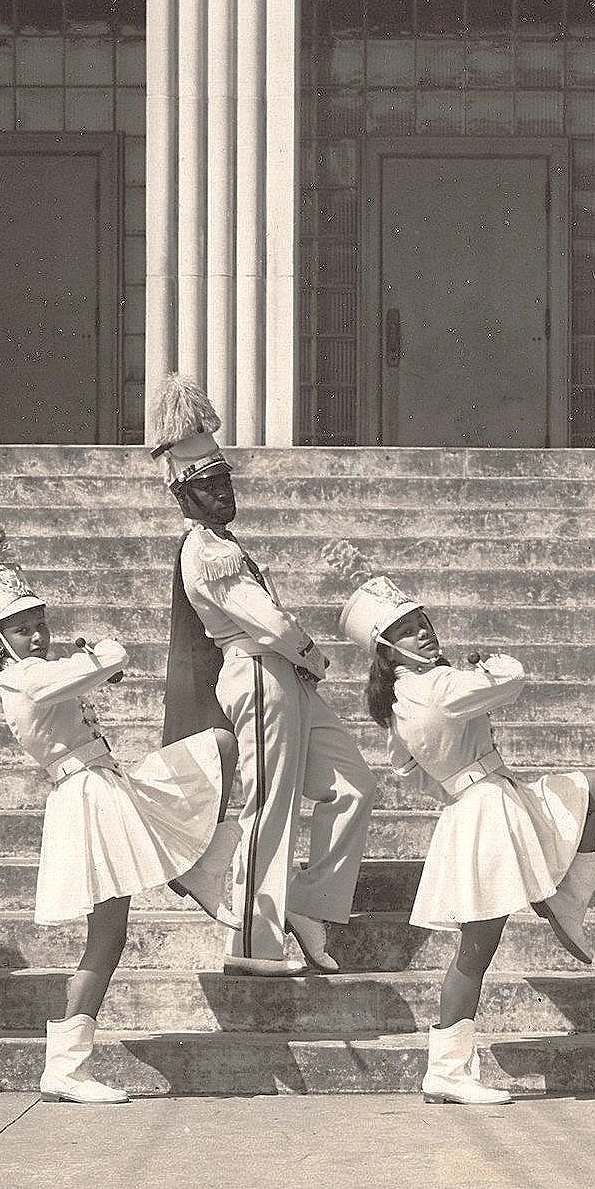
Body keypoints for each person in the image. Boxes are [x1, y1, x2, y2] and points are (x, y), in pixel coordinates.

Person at [0, 507, 239, 1104]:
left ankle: (203, 867)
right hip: (85, 797)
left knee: (218, 747)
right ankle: (66, 1066)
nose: (36, 635)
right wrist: (100, 655)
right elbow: (110, 659)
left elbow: (93, 672)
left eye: (40, 622)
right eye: (20, 629)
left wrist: (92, 665)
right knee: (108, 933)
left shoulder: (44, 670)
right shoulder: (21, 681)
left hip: (109, 784)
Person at [327, 542, 595, 1105]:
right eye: (409, 632)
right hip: (486, 809)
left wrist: (457, 778)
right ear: (388, 652)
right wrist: (488, 663)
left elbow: (409, 770)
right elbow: (512, 679)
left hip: (483, 800)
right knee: (476, 947)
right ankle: (448, 1069)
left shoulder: (404, 698)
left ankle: (565, 902)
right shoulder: (436, 686)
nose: (425, 634)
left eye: (424, 622)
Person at [152, 373, 377, 977]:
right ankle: (253, 943)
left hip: (284, 676)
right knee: (269, 806)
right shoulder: (206, 551)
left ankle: (307, 903)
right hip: (258, 672)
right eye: (207, 486)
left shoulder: (227, 541)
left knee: (352, 785)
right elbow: (269, 623)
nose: (221, 492)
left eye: (224, 480)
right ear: (183, 496)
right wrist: (312, 654)